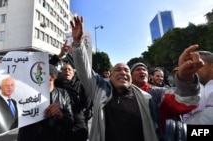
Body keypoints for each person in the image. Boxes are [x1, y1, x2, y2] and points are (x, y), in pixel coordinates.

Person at [70, 16, 203, 141]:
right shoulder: (99, 91)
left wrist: (185, 78)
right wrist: (77, 44)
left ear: (131, 78)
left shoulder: (151, 96)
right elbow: (84, 70)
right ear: (110, 76)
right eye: (117, 70)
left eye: (126, 70)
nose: (122, 72)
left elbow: (185, 102)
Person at [17, 64, 74, 141]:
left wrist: (60, 114)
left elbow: (70, 123)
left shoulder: (63, 94)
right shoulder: (28, 94)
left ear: (52, 77)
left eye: (41, 73)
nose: (37, 76)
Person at [49, 42, 92, 141]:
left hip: (79, 126)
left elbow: (88, 104)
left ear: (74, 73)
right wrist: (60, 55)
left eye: (69, 69)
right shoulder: (57, 83)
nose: (67, 71)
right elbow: (46, 68)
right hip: (61, 125)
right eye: (64, 70)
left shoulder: (82, 84)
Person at [183, 50, 213, 124]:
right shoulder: (188, 89)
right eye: (191, 66)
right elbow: (186, 115)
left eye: (199, 65)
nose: (193, 69)